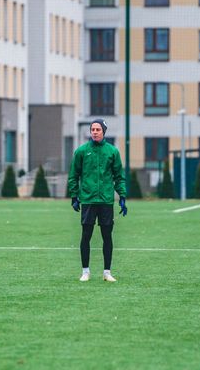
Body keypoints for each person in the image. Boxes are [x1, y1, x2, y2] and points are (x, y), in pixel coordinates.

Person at [68, 119, 127, 282]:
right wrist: (74, 195)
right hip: (88, 200)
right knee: (86, 235)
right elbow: (73, 175)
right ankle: (85, 272)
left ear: (104, 131)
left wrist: (122, 196)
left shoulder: (112, 152)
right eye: (92, 129)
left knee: (107, 236)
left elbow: (119, 177)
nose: (94, 132)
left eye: (98, 129)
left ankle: (107, 272)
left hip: (106, 201)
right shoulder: (81, 151)